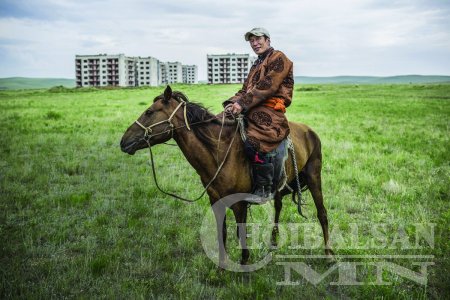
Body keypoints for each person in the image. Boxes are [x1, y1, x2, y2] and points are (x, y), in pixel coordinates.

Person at [223, 27, 294, 201]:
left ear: (267, 39)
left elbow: (268, 85)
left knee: (252, 142)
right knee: (222, 125)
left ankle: (265, 186)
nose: (255, 43)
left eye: (258, 39)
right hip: (252, 106)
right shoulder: (256, 64)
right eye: (251, 41)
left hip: (270, 109)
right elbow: (244, 90)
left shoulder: (279, 58)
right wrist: (232, 103)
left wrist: (242, 103)